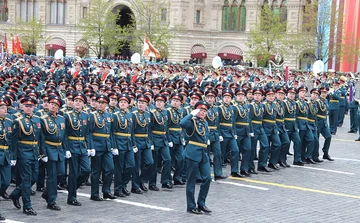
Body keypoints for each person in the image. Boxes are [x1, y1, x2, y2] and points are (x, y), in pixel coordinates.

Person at [9, 97, 41, 216]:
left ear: (34, 107)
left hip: (34, 151)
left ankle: (16, 193)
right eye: (26, 106)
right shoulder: (18, 121)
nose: (29, 108)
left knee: (34, 177)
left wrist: (41, 152)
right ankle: (27, 206)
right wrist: (13, 156)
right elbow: (13, 140)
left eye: (31, 106)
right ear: (22, 107)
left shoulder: (37, 119)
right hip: (23, 152)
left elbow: (40, 137)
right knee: (26, 179)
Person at [180, 101, 212, 215]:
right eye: (200, 110)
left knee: (207, 178)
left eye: (204, 111)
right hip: (192, 153)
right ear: (196, 112)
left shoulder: (205, 123)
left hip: (203, 153)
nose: (203, 112)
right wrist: (191, 114)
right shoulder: (191, 122)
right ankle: (191, 206)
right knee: (191, 181)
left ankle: (201, 203)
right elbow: (182, 123)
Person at [63, 93, 92, 206]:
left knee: (86, 170)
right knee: (73, 173)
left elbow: (88, 133)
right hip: (72, 146)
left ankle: (72, 187)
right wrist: (66, 148)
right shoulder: (67, 115)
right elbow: (64, 134)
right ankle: (72, 197)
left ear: (84, 103)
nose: (78, 102)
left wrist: (89, 147)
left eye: (80, 101)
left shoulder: (86, 116)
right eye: (76, 101)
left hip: (82, 146)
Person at [40, 96, 67, 211]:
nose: (53, 106)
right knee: (52, 176)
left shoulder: (61, 119)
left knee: (61, 173)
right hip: (49, 148)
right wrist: (43, 153)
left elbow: (63, 135)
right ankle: (51, 201)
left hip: (59, 149)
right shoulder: (43, 119)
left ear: (58, 107)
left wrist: (66, 149)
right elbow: (41, 138)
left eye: (56, 105)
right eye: (51, 103)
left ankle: (47, 192)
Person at [88, 95, 116, 201]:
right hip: (97, 145)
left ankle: (106, 191)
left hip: (107, 146)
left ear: (106, 104)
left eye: (102, 103)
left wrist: (113, 146)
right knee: (96, 171)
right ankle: (94, 193)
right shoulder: (92, 115)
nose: (100, 104)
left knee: (110, 168)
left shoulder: (109, 115)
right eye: (98, 102)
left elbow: (111, 132)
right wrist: (91, 147)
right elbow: (89, 133)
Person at [113, 94, 136, 197]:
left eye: (125, 102)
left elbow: (132, 132)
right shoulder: (115, 115)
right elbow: (112, 132)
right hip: (119, 143)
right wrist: (114, 146)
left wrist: (134, 144)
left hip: (129, 144)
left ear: (128, 104)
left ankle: (124, 185)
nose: (123, 103)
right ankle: (118, 189)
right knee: (119, 168)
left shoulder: (130, 115)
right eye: (121, 102)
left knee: (131, 166)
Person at [0, 96, 15, 221]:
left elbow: (11, 140)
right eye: (2, 108)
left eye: (5, 108)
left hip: (5, 154)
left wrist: (12, 155)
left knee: (6, 181)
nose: (5, 110)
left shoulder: (9, 121)